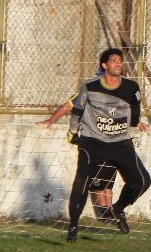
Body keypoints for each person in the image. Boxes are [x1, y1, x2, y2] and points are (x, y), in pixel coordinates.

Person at [66, 48, 151, 242]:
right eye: (113, 60)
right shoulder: (90, 86)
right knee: (82, 182)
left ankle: (118, 208)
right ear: (104, 66)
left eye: (120, 60)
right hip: (92, 141)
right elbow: (77, 108)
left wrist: (132, 127)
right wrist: (72, 132)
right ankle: (73, 225)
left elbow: (136, 109)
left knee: (142, 181)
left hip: (120, 141)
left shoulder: (131, 87)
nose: (118, 63)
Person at [39, 71, 115, 220]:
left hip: (111, 140)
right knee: (97, 179)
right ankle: (105, 214)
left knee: (109, 179)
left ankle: (110, 212)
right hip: (94, 140)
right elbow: (69, 105)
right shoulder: (89, 91)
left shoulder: (115, 94)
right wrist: (51, 120)